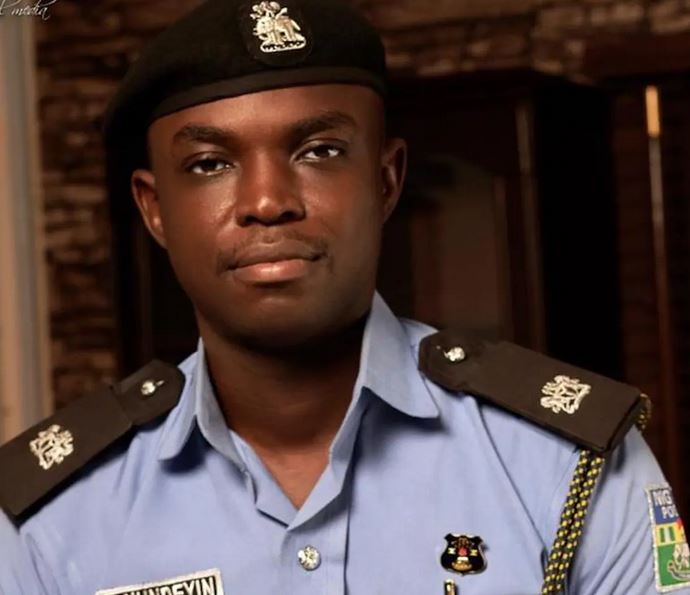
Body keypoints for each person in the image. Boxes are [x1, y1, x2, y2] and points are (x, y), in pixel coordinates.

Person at [0, 1, 688, 593]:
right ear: (155, 210)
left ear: (386, 181)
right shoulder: (50, 516)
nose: (267, 201)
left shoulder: (566, 463)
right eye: (210, 164)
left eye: (319, 151)